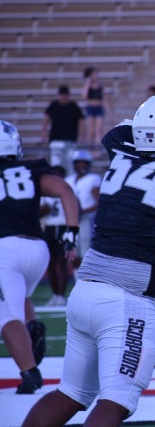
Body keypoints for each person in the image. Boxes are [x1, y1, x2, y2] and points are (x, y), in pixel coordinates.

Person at [22, 95, 155, 427]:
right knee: (118, 398)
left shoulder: (121, 146)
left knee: (71, 392)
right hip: (127, 300)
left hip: (86, 290)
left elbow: (125, 129)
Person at [0, 120, 79, 394]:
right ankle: (32, 327)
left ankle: (29, 372)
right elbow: (65, 190)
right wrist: (71, 232)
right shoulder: (30, 169)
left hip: (5, 250)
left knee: (6, 315)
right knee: (19, 297)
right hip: (38, 249)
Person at [65, 149, 101, 276]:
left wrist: (81, 211)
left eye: (84, 163)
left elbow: (99, 203)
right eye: (79, 163)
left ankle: (88, 280)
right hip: (71, 220)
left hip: (87, 219)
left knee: (86, 251)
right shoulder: (69, 180)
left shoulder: (93, 179)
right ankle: (77, 281)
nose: (81, 166)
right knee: (73, 252)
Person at [40, 165, 71, 306]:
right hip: (50, 226)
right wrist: (43, 210)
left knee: (62, 261)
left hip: (64, 226)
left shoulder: (68, 188)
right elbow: (40, 211)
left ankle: (61, 295)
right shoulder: (45, 191)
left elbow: (77, 207)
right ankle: (55, 294)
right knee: (50, 261)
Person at [41, 84, 85, 174]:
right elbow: (46, 121)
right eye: (62, 95)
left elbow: (81, 122)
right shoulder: (54, 105)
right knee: (56, 165)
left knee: (71, 166)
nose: (64, 97)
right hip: (56, 141)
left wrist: (81, 137)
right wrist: (44, 136)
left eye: (65, 95)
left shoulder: (73, 106)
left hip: (70, 141)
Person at [81, 66, 111, 146]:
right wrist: (88, 83)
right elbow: (84, 96)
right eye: (94, 74)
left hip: (99, 108)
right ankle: (91, 148)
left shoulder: (100, 85)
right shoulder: (88, 85)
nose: (96, 75)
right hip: (91, 108)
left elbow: (104, 99)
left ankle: (97, 148)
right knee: (91, 131)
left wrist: (108, 112)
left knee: (99, 130)